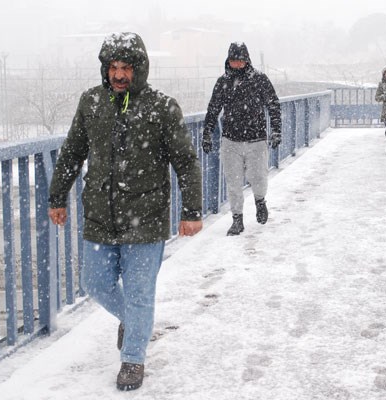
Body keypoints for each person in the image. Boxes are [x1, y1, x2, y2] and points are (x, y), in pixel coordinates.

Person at [47, 32, 203, 391]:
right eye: (113, 68)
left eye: (126, 68)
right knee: (95, 283)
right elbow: (72, 152)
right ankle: (133, 322)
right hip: (100, 217)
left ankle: (133, 358)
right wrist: (57, 197)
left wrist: (192, 210)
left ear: (140, 69)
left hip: (145, 220)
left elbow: (185, 161)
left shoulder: (162, 107)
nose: (119, 75)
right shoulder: (91, 103)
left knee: (139, 294)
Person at [201, 42, 282, 236]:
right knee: (233, 182)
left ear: (247, 60)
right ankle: (237, 219)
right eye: (233, 61)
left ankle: (260, 201)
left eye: (240, 61)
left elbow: (273, 104)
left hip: (256, 139)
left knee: (258, 177)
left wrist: (276, 130)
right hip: (230, 140)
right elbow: (213, 109)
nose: (237, 64)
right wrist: (207, 133)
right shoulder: (223, 82)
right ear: (228, 61)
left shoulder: (260, 80)